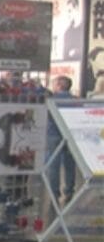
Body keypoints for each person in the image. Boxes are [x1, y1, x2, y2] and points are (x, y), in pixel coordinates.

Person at [46, 75, 76, 204]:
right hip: (70, 136)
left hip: (53, 135)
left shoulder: (51, 100)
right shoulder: (76, 100)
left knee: (54, 165)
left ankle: (54, 193)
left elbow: (48, 117)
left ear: (59, 85)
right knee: (70, 165)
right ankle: (69, 191)